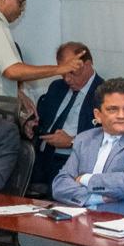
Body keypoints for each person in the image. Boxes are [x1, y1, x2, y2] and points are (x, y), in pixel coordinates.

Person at [51, 78, 124, 217]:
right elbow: (59, 185)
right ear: (98, 115)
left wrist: (85, 179)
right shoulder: (85, 139)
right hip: (81, 219)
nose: (122, 115)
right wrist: (94, 198)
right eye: (113, 109)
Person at [31, 42, 104, 186]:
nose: (67, 79)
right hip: (41, 156)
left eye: (72, 72)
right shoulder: (57, 87)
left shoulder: (104, 94)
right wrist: (29, 125)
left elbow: (106, 139)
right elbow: (41, 121)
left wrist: (71, 142)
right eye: (63, 73)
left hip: (73, 163)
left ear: (87, 65)